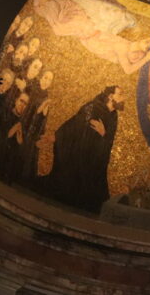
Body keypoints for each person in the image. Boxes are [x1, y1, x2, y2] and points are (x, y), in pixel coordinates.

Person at [33, 0, 150, 74]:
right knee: (68, 14)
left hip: (89, 33)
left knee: (63, 20)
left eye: (146, 46)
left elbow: (128, 70)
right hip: (91, 30)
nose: (146, 43)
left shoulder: (123, 48)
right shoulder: (126, 44)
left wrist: (149, 56)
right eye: (147, 42)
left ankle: (46, 2)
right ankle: (50, 1)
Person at [43, 85, 124, 213]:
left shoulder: (114, 116)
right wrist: (58, 136)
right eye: (120, 94)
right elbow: (75, 123)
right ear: (110, 96)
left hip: (95, 158)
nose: (122, 98)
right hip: (81, 155)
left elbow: (109, 141)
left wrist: (103, 133)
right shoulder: (93, 107)